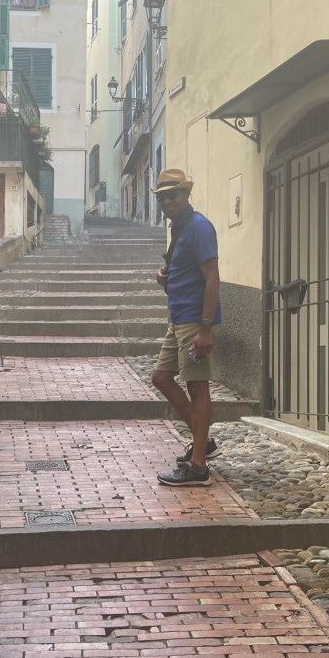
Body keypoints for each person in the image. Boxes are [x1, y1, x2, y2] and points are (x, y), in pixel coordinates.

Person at [151, 168, 222, 487]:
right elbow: (183, 271)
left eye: (173, 195)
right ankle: (203, 442)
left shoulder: (199, 227)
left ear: (186, 194)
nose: (167, 201)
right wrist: (164, 277)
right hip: (178, 318)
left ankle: (198, 467)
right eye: (162, 198)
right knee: (161, 377)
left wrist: (205, 328)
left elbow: (212, 277)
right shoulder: (179, 228)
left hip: (195, 320)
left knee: (197, 387)